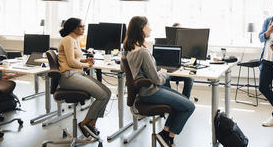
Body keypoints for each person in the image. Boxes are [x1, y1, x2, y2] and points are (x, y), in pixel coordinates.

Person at [124, 16, 195, 146]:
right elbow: (156, 79)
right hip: (151, 92)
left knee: (183, 103)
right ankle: (168, 138)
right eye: (148, 25)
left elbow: (127, 68)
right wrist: (162, 73)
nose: (150, 28)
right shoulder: (143, 52)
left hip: (144, 91)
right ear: (141, 29)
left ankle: (165, 134)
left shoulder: (127, 49)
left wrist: (152, 69)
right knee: (189, 106)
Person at [58, 18, 111, 139]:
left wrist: (84, 60)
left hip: (76, 74)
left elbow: (74, 58)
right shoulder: (68, 40)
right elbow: (71, 62)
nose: (83, 29)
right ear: (75, 28)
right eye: (82, 26)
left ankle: (92, 123)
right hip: (68, 76)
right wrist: (86, 65)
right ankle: (85, 123)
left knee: (107, 92)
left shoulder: (74, 40)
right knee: (102, 96)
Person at [163, 22, 194, 99]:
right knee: (165, 79)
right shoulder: (166, 43)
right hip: (170, 70)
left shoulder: (186, 43)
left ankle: (185, 100)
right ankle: (170, 99)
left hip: (181, 70)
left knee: (190, 78)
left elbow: (191, 59)